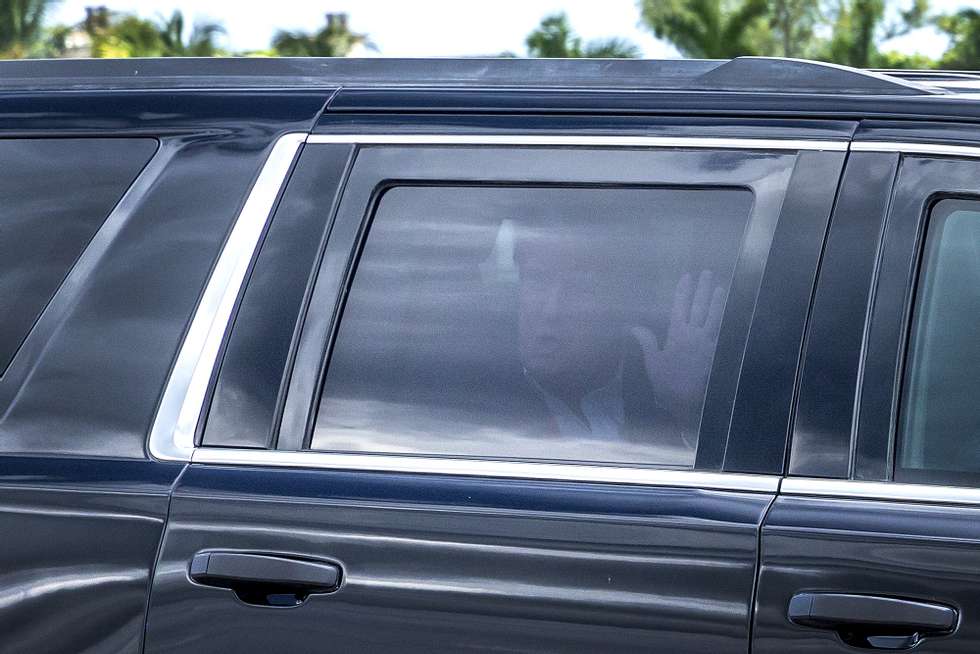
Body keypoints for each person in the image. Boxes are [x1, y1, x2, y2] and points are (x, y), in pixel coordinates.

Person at [513, 218, 725, 453]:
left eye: (581, 287)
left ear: (621, 302)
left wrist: (685, 410)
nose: (551, 310)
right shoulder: (479, 398)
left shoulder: (660, 380)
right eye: (536, 280)